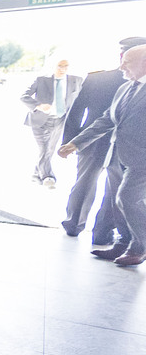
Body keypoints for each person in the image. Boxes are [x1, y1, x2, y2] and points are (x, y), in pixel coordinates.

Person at [60, 44, 146, 266]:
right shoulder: (126, 88)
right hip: (117, 156)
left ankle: (140, 245)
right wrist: (75, 143)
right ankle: (125, 242)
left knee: (127, 198)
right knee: (116, 202)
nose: (121, 67)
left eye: (126, 62)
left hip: (141, 160)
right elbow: (107, 119)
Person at [21, 59, 82, 187]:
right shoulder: (41, 80)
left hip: (60, 120)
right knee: (44, 148)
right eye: (60, 66)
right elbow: (24, 96)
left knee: (50, 149)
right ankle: (48, 177)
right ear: (54, 66)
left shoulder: (76, 81)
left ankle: (36, 173)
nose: (63, 68)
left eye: (66, 66)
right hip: (40, 120)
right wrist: (38, 105)